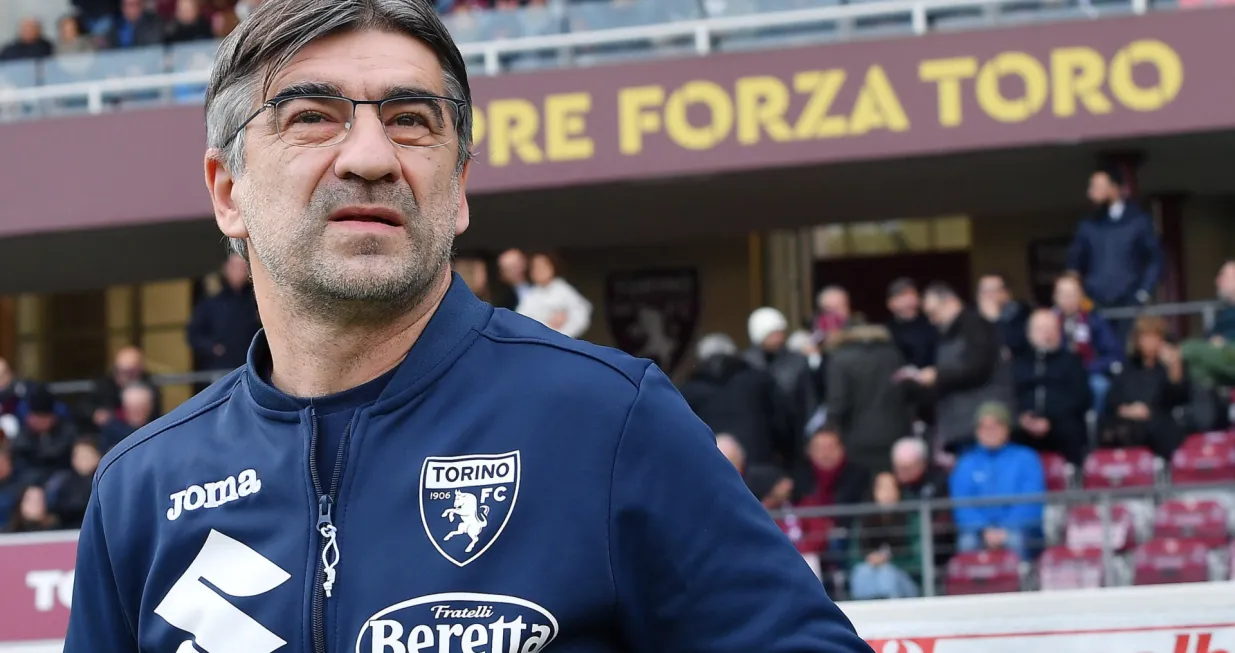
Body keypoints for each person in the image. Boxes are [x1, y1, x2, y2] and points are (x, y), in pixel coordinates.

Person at [65, 3, 870, 651]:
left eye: (413, 120)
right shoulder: (141, 487)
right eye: (311, 116)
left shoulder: (608, 419)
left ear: (457, 188)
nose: (372, 156)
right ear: (226, 189)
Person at [910, 282, 1014, 455]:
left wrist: (937, 375)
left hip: (981, 424)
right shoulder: (949, 334)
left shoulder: (976, 326)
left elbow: (977, 367)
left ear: (950, 301)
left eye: (933, 312)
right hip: (962, 424)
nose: (931, 320)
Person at [1066, 166, 1164, 344]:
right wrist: (1078, 295)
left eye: (1096, 186)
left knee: (1128, 349)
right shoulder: (1087, 225)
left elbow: (1155, 259)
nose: (1091, 192)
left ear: (1115, 188)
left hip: (1130, 301)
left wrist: (1143, 293)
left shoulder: (1138, 220)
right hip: (1095, 304)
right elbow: (1074, 264)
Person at [680, 333, 795, 469]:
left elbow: (683, 437)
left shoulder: (688, 391)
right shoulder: (758, 379)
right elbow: (783, 421)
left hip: (712, 469)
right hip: (760, 467)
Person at [950, 402, 1046, 561]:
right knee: (967, 543)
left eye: (995, 426)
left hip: (1020, 531)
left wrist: (1006, 529)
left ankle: (1023, 583)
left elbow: (1032, 500)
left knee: (1015, 540)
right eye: (984, 427)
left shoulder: (1026, 458)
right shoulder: (965, 463)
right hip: (979, 533)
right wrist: (984, 530)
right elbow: (962, 504)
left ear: (1007, 428)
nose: (989, 432)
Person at [825, 322, 912, 475]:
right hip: (895, 432)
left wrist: (832, 428)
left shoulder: (840, 358)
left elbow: (838, 402)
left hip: (857, 437)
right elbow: (908, 394)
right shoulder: (893, 354)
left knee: (864, 488)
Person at [1099, 315, 1189, 459]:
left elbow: (1178, 397)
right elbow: (1112, 398)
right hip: (1128, 419)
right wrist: (1127, 410)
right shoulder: (1129, 367)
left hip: (1159, 421)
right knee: (1109, 428)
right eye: (1145, 338)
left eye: (1154, 337)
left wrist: (1174, 366)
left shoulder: (1169, 367)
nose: (1149, 343)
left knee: (1146, 430)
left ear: (1162, 339)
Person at [1011, 310, 1092, 466]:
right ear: (1029, 333)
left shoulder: (1072, 361)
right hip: (1024, 423)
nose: (1046, 334)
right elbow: (1009, 395)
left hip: (1061, 421)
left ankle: (1074, 481)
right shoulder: (1017, 364)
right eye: (1041, 329)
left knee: (1071, 431)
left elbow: (1081, 397)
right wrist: (1023, 418)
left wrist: (1049, 419)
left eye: (1051, 329)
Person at [744, 307, 819, 440]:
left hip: (793, 432)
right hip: (759, 433)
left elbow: (808, 400)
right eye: (772, 334)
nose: (778, 338)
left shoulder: (797, 361)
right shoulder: (747, 364)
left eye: (780, 332)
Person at [1053, 272, 1123, 414]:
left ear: (1081, 295)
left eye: (1072, 294)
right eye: (1063, 294)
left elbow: (1113, 353)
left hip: (1088, 372)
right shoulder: (1048, 321)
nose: (1068, 299)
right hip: (1055, 375)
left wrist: (1089, 367)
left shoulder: (1094, 319)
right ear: (1055, 297)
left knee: (1101, 387)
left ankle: (1095, 426)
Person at [847, 472, 921, 600]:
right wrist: (870, 559)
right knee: (862, 572)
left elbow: (918, 560)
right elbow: (853, 558)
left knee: (887, 574)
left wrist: (889, 560)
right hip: (871, 574)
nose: (887, 493)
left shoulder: (911, 519)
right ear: (874, 492)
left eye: (891, 488)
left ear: (899, 491)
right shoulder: (864, 521)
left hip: (906, 580)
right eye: (882, 488)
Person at [188, 254, 263, 373]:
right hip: (221, 369)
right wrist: (213, 348)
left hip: (253, 366)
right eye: (235, 266)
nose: (239, 271)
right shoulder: (211, 303)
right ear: (226, 268)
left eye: (243, 267)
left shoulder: (257, 300)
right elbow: (194, 335)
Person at [1181, 260, 1235, 389]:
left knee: (1188, 349)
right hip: (1221, 355)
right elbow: (1210, 336)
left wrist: (1225, 340)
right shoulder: (1225, 311)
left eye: (1223, 276)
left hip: (1230, 351)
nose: (1217, 281)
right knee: (1195, 366)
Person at [514, 252, 593, 339]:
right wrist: (548, 325)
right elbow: (521, 322)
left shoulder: (564, 289)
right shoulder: (529, 296)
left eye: (544, 266)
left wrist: (562, 333)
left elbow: (581, 314)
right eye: (536, 267)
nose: (541, 270)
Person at [10, 387, 79, 485]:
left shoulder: (66, 429)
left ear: (53, 417)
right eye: (35, 417)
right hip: (29, 479)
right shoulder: (24, 432)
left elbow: (58, 453)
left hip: (60, 476)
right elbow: (18, 452)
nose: (39, 422)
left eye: (43, 419)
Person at [46, 437, 102, 529]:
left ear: (97, 456)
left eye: (87, 456)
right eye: (79, 456)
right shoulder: (63, 482)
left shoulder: (103, 482)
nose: (83, 460)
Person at [885, 278, 936, 370]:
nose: (910, 298)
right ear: (891, 303)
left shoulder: (931, 324)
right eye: (904, 295)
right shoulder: (886, 331)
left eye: (913, 293)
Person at [976, 273, 1031, 357]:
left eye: (993, 291)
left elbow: (1016, 346)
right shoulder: (969, 318)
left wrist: (995, 319)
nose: (988, 296)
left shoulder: (1021, 314)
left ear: (1006, 294)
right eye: (984, 291)